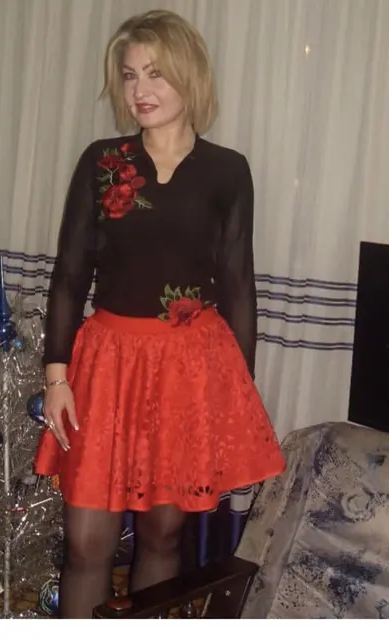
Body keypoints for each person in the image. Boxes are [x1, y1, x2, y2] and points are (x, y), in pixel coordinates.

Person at [34, 8, 286, 619]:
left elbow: (238, 285)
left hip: (186, 372)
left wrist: (232, 395)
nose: (139, 90)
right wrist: (57, 377)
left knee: (163, 536)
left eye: (156, 74)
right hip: (107, 365)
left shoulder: (228, 171)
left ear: (189, 76)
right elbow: (69, 274)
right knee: (87, 542)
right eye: (129, 76)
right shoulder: (102, 162)